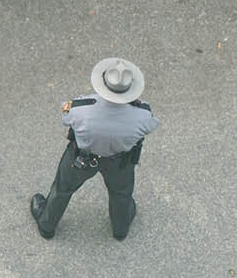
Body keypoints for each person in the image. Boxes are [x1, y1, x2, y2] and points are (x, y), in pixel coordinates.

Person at [33, 59, 156, 241]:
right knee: (121, 194)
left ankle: (47, 225)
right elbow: (149, 127)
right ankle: (120, 229)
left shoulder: (82, 108)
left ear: (103, 84)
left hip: (81, 158)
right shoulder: (143, 114)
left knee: (63, 189)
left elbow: (66, 118)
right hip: (120, 161)